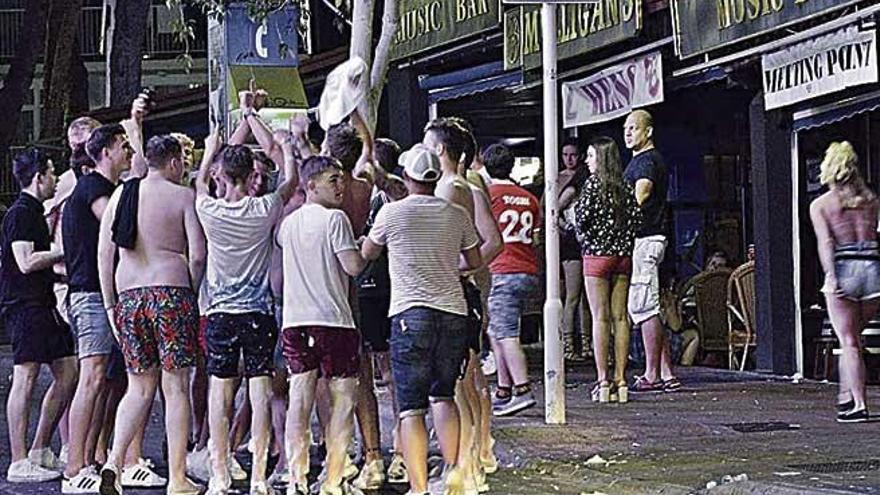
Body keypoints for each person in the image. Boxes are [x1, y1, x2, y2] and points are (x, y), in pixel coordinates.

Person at [362, 144, 482, 495]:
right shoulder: (455, 213)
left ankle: (419, 486)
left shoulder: (392, 213)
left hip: (409, 315)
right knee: (443, 395)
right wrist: (444, 267)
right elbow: (473, 259)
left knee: (411, 408)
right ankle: (454, 471)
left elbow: (367, 254)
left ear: (408, 177)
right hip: (453, 313)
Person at [95, 135, 207, 495]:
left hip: (128, 297)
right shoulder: (182, 196)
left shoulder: (121, 195)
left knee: (138, 386)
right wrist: (188, 284)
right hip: (170, 294)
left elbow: (104, 253)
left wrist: (111, 303)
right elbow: (199, 254)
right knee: (175, 389)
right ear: (173, 162)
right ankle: (177, 478)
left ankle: (114, 462)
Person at [195, 125, 298, 495]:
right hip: (258, 313)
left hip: (220, 312)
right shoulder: (265, 208)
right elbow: (290, 180)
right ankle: (258, 477)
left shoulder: (208, 210)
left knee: (219, 393)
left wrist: (212, 147)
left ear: (221, 176)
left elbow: (200, 183)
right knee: (260, 391)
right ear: (252, 176)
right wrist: (282, 144)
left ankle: (219, 473)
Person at [278, 155, 367, 495]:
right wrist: (369, 248)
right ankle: (333, 479)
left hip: (294, 321)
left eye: (341, 179)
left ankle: (296, 477)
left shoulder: (288, 224)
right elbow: (353, 266)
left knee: (299, 398)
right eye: (333, 180)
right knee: (342, 400)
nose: (341, 185)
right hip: (333, 320)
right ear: (310, 185)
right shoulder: (335, 220)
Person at [424, 117, 502, 492]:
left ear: (439, 149)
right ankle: (472, 461)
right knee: (467, 384)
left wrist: (458, 269)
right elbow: (492, 242)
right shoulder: (466, 185)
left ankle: (465, 468)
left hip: (456, 296)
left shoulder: (450, 188)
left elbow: (492, 243)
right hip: (463, 294)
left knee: (458, 387)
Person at [61, 124, 132, 491]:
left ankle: (88, 457)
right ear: (105, 151)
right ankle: (74, 468)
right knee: (91, 376)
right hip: (89, 293)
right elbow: (118, 227)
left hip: (96, 292)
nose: (129, 153)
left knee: (103, 379)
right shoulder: (94, 188)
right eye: (124, 146)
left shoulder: (102, 188)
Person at [2, 149, 77, 484]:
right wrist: (67, 250)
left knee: (68, 370)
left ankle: (40, 449)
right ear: (38, 177)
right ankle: (18, 461)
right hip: (25, 306)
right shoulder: (20, 213)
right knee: (26, 377)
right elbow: (25, 261)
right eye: (51, 172)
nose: (56, 177)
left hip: (43, 302)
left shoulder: (35, 213)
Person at [809, 141, 879, 423]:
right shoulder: (872, 200)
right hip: (873, 270)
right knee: (852, 339)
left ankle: (859, 404)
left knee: (848, 341)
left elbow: (826, 243)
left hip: (844, 268)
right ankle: (845, 395)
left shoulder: (821, 205)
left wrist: (830, 276)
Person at [573, 137, 641, 403]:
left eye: (590, 156)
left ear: (600, 158)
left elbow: (581, 220)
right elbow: (636, 218)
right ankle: (622, 380)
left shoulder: (592, 186)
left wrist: (589, 240)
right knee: (621, 317)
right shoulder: (625, 186)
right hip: (622, 257)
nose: (586, 161)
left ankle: (603, 381)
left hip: (596, 257)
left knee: (600, 317)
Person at [481, 144, 541, 417]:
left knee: (506, 334)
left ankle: (522, 390)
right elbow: (537, 238)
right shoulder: (530, 198)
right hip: (528, 271)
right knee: (496, 330)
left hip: (502, 271)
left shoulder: (487, 196)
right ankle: (503, 389)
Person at [622, 109, 679, 393]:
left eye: (634, 128)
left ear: (648, 131)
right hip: (649, 239)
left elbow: (640, 196)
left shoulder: (646, 162)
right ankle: (667, 372)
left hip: (646, 239)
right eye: (626, 128)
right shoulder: (642, 160)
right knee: (650, 304)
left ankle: (651, 374)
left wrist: (616, 216)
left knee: (644, 307)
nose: (628, 133)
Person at [558, 138, 590, 361]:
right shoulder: (570, 183)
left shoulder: (581, 180)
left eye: (573, 155)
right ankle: (569, 346)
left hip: (580, 243)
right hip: (572, 244)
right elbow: (553, 208)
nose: (569, 159)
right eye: (565, 155)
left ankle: (584, 345)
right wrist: (567, 227)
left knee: (584, 298)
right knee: (573, 296)